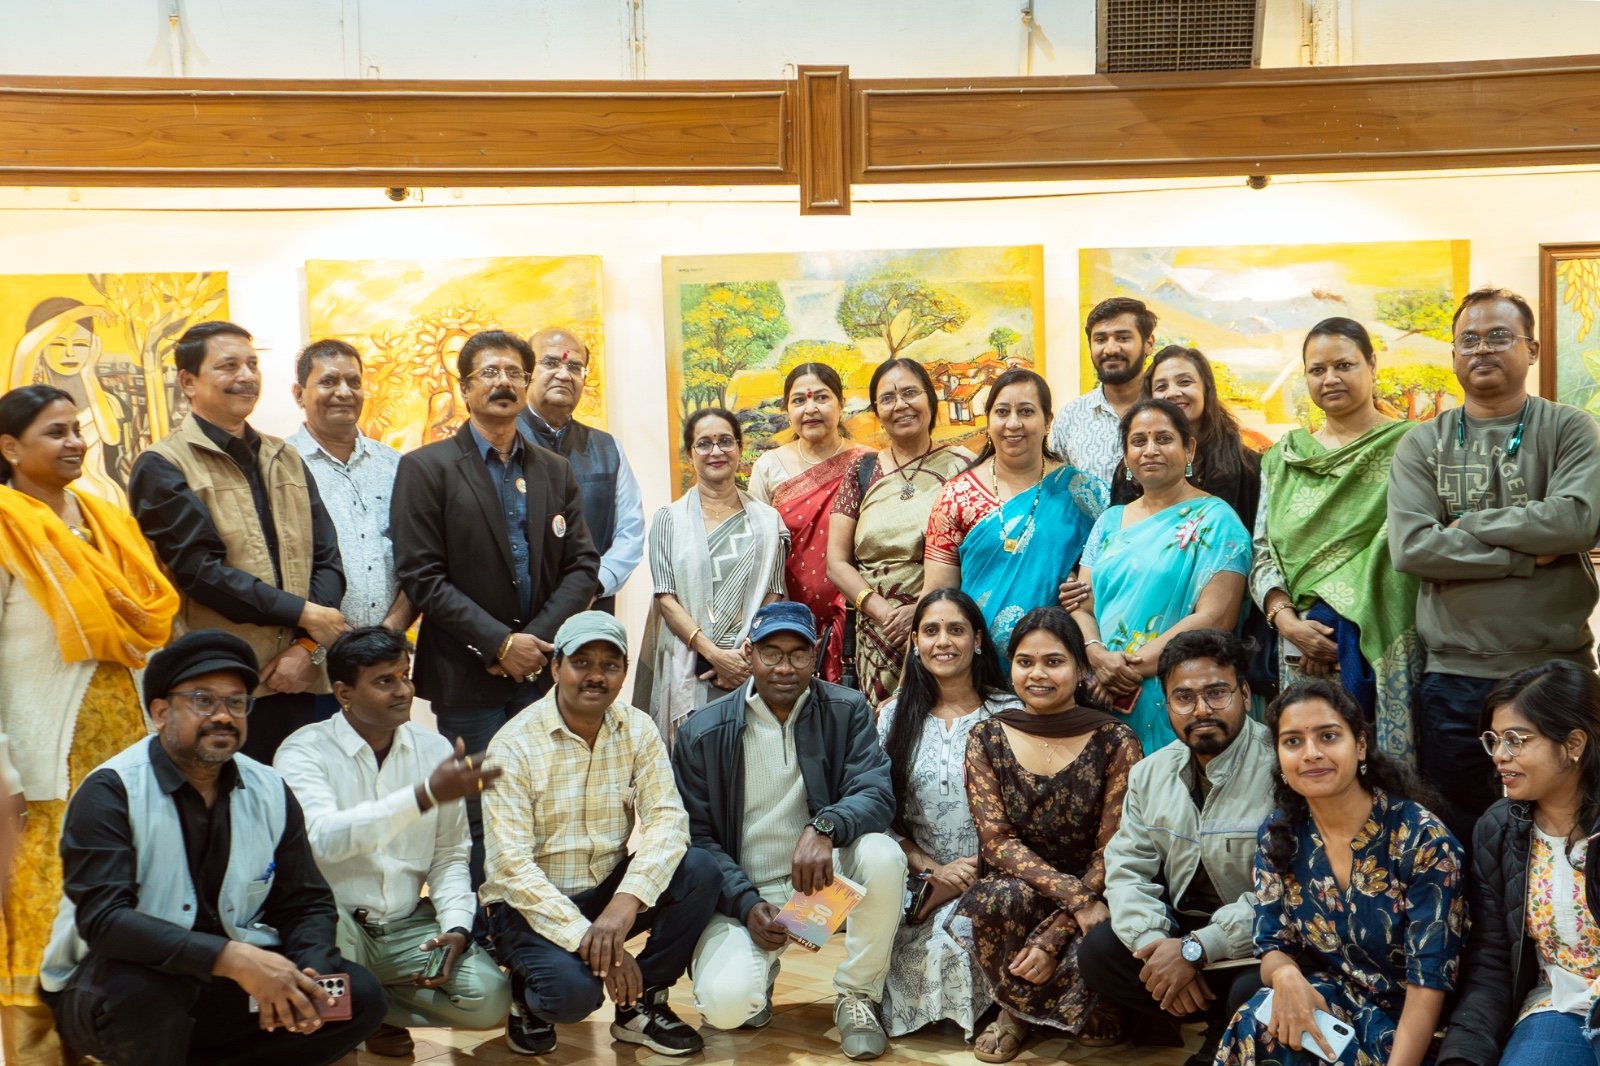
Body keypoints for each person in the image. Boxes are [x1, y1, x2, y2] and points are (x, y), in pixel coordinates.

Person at [39, 629, 386, 1066]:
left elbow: (305, 899)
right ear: (160, 712)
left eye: (237, 703)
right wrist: (231, 958)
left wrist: (310, 971)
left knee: (359, 997)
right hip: (116, 978)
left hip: (226, 982)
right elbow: (104, 920)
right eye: (203, 700)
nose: (223, 716)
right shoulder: (112, 791)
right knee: (143, 998)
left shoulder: (268, 787)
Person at [0, 384, 180, 1064]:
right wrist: (3, 772)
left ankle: (113, 1040)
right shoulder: (5, 528)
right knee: (44, 910)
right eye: (55, 432)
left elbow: (146, 642)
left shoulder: (108, 523)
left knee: (121, 897)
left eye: (77, 429)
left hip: (123, 756)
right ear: (10, 448)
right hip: (40, 771)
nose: (75, 442)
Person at [1388, 287, 1600, 844]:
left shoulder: (1571, 429)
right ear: (1454, 355)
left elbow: (1577, 519)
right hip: (1455, 679)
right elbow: (1412, 548)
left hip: (1557, 672)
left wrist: (1469, 525)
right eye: (1469, 340)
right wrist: (1526, 555)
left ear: (1532, 349)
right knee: (1460, 833)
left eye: (1498, 336)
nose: (1482, 349)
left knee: (1570, 830)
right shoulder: (1422, 443)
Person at [389, 328, 600, 884]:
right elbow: (421, 575)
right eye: (490, 372)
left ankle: (547, 922)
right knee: (483, 814)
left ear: (526, 385)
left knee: (546, 806)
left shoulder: (554, 469)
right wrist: (499, 644)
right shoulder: (425, 468)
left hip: (541, 674)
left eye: (514, 373)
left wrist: (533, 646)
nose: (503, 382)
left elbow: (583, 566)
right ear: (465, 388)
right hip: (467, 677)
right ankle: (488, 924)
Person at [673, 601, 905, 1060]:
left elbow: (876, 793)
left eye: (798, 654)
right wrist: (744, 903)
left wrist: (825, 827)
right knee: (726, 1009)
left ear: (815, 654)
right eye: (771, 653)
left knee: (882, 854)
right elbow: (696, 838)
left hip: (819, 886)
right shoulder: (702, 732)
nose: (785, 667)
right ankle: (759, 976)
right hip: (747, 892)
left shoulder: (846, 709)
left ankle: (857, 995)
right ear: (749, 653)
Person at [481, 611, 719, 1058]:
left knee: (699, 870)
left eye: (610, 665)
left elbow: (668, 821)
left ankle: (641, 1003)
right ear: (556, 667)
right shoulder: (514, 745)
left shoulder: (637, 728)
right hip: (528, 905)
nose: (596, 676)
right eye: (582, 662)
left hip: (605, 891)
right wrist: (602, 948)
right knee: (572, 998)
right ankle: (525, 993)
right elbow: (510, 868)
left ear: (625, 672)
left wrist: (624, 905)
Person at [274, 626, 510, 1059]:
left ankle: (371, 1012)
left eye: (405, 675)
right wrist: (423, 796)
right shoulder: (302, 751)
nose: (403, 690)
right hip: (334, 923)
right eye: (385, 680)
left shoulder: (433, 749)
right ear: (343, 693)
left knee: (489, 1001)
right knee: (327, 950)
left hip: (405, 924)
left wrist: (456, 926)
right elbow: (323, 841)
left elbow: (451, 854)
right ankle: (357, 1013)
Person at [128, 320, 350, 762]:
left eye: (252, 364)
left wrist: (306, 648)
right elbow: (200, 573)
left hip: (300, 676)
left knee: (300, 797)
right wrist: (306, 614)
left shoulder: (284, 456)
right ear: (188, 381)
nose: (246, 376)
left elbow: (326, 557)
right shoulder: (163, 464)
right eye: (228, 366)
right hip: (221, 682)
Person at [1215, 678, 1467, 1066]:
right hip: (1337, 1004)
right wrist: (1285, 977)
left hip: (1417, 1027)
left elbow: (1428, 984)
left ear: (1360, 745)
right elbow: (1271, 943)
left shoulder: (1421, 839)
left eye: (1328, 736)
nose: (1311, 753)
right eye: (1293, 741)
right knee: (1261, 1018)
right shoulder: (1280, 834)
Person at [954, 606, 1141, 1062]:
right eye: (1025, 662)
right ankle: (1013, 1012)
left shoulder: (1116, 740)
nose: (1037, 674)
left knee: (1111, 920)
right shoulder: (987, 737)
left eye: (1053, 661)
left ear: (1081, 670)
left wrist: (1060, 928)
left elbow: (1115, 847)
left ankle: (1087, 1002)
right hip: (1024, 883)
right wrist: (1075, 900)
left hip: (1100, 885)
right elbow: (996, 842)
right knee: (998, 897)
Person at [1082, 629, 1273, 1066]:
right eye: (1184, 697)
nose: (1201, 709)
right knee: (1099, 953)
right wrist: (1157, 947)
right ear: (1166, 705)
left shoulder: (1281, 767)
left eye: (1217, 693)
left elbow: (1287, 895)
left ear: (1245, 694)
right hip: (1185, 930)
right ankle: (1205, 1013)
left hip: (1258, 939)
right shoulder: (1151, 772)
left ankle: (1227, 1031)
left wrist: (1197, 948)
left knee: (1256, 986)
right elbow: (1127, 870)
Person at [1253, 318, 1421, 763]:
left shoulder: (1410, 446)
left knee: (1382, 772)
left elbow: (1407, 542)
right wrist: (1286, 621)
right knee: (1309, 767)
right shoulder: (1283, 457)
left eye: (1344, 365)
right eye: (1317, 369)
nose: (1330, 379)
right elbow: (1262, 549)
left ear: (1372, 365)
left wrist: (1338, 616)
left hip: (1380, 643)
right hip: (1297, 648)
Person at [1439, 661, 1600, 1066]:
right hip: (1559, 1002)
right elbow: (1493, 960)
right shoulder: (1497, 829)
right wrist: (1463, 1055)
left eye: (1515, 740)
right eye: (1493, 740)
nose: (1499, 755)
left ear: (1573, 743)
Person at [874, 588, 1016, 1039]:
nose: (943, 642)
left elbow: (1029, 816)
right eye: (931, 630)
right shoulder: (893, 717)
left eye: (956, 630)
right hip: (917, 880)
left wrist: (976, 867)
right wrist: (933, 869)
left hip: (992, 876)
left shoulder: (1011, 714)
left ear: (978, 640)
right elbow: (878, 811)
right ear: (915, 642)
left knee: (953, 945)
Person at [1073, 398, 1251, 754]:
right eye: (1138, 441)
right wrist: (1098, 657)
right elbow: (1081, 604)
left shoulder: (1217, 520)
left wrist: (1124, 670)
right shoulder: (1109, 521)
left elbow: (1215, 618)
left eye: (1164, 438)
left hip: (1180, 694)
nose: (1150, 450)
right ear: (1126, 456)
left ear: (1189, 449)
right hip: (1101, 696)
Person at [924, 368, 1107, 653]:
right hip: (974, 661)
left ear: (1047, 421)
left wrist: (1080, 586)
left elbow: (1106, 581)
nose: (1013, 423)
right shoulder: (957, 496)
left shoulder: (1084, 492)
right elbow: (937, 598)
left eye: (1026, 412)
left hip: (1058, 660)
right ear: (988, 420)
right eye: (1002, 412)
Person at [634, 407, 788, 742]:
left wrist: (744, 654)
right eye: (704, 444)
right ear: (690, 454)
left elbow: (774, 592)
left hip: (749, 663)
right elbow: (666, 598)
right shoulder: (668, 520)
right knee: (692, 757)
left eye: (725, 441)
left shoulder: (769, 521)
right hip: (688, 664)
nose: (716, 451)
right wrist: (714, 655)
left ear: (739, 448)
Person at [828, 358, 972, 703]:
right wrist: (884, 613)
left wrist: (921, 613)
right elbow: (836, 563)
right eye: (888, 398)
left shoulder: (964, 466)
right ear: (877, 412)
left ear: (930, 400)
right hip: (876, 635)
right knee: (882, 725)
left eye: (910, 393)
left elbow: (979, 555)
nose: (900, 405)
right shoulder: (861, 470)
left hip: (943, 629)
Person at [748, 363, 870, 683]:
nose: (810, 408)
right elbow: (756, 552)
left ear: (841, 403)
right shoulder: (769, 467)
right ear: (787, 409)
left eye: (821, 397)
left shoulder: (868, 462)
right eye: (799, 400)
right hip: (787, 616)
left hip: (858, 615)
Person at [287, 339, 414, 633]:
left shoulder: (396, 465)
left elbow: (420, 560)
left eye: (354, 382)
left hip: (387, 646)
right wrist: (309, 643)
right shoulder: (280, 465)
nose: (344, 392)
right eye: (328, 381)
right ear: (299, 394)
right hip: (306, 649)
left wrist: (388, 632)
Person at [518, 327, 644, 614]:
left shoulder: (608, 449)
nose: (564, 374)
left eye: (575, 367)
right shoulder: (502, 442)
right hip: (519, 615)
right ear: (526, 373)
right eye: (551, 363)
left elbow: (630, 532)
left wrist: (593, 585)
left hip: (590, 612)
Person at [1050, 297, 1159, 484]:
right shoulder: (1070, 417)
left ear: (1148, 343)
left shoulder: (1168, 409)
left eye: (1123, 338)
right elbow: (1056, 489)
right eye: (1100, 339)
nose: (1110, 349)